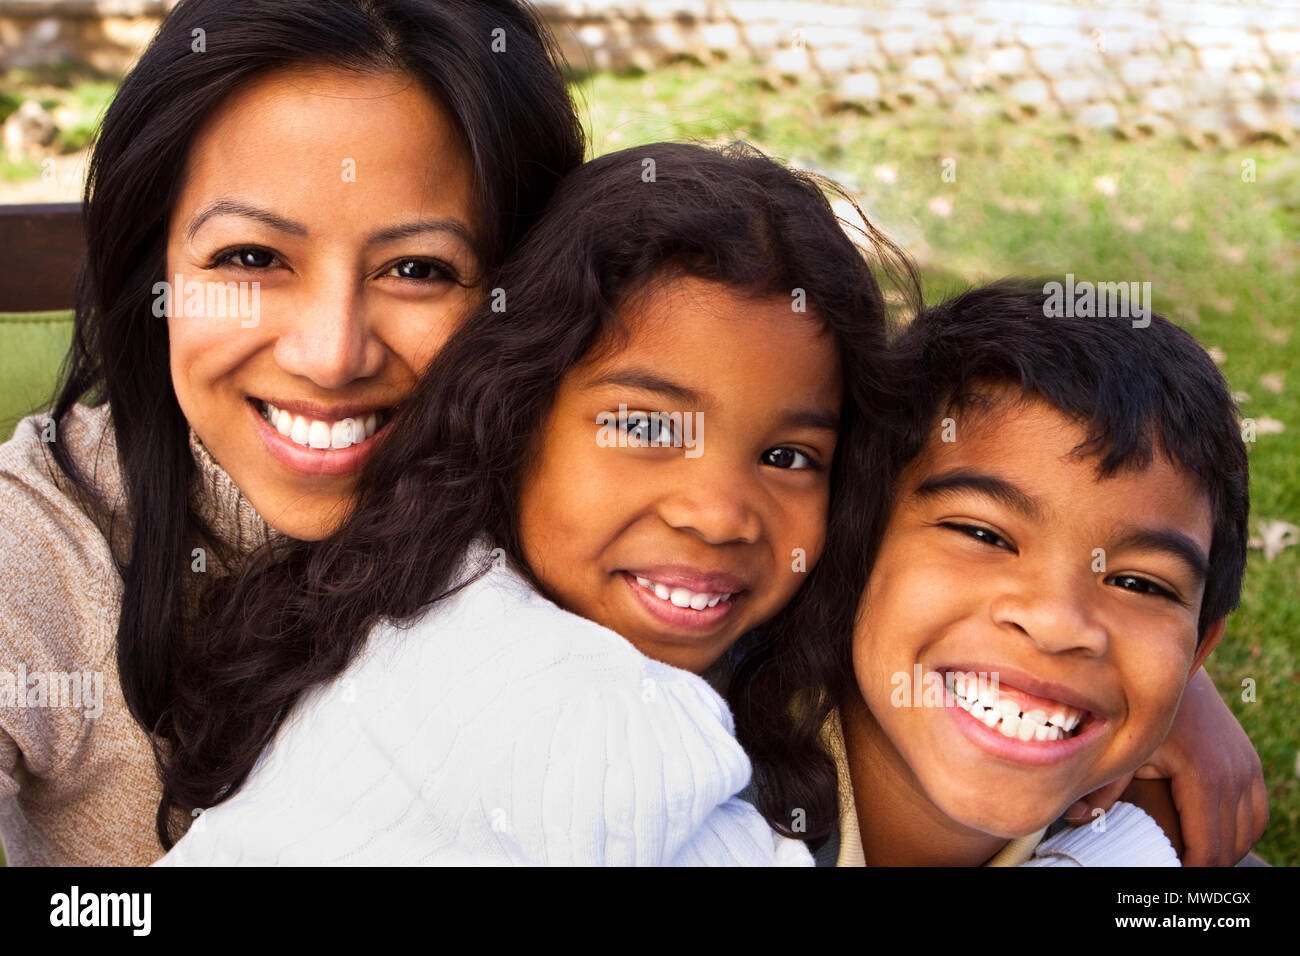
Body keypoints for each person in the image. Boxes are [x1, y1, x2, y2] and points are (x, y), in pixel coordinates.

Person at [154, 141, 914, 864]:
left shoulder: (414, 594)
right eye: (647, 426)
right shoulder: (592, 707)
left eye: (787, 458)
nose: (718, 515)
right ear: (513, 418)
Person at [0, 0, 584, 865]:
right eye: (251, 258)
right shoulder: (40, 547)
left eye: (418, 270)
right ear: (151, 264)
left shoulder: (607, 504)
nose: (329, 356)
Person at [738, 281, 1265, 865]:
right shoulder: (685, 792)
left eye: (1139, 583)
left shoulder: (1186, 858)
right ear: (853, 546)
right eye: (983, 535)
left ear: (1198, 653)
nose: (1057, 623)